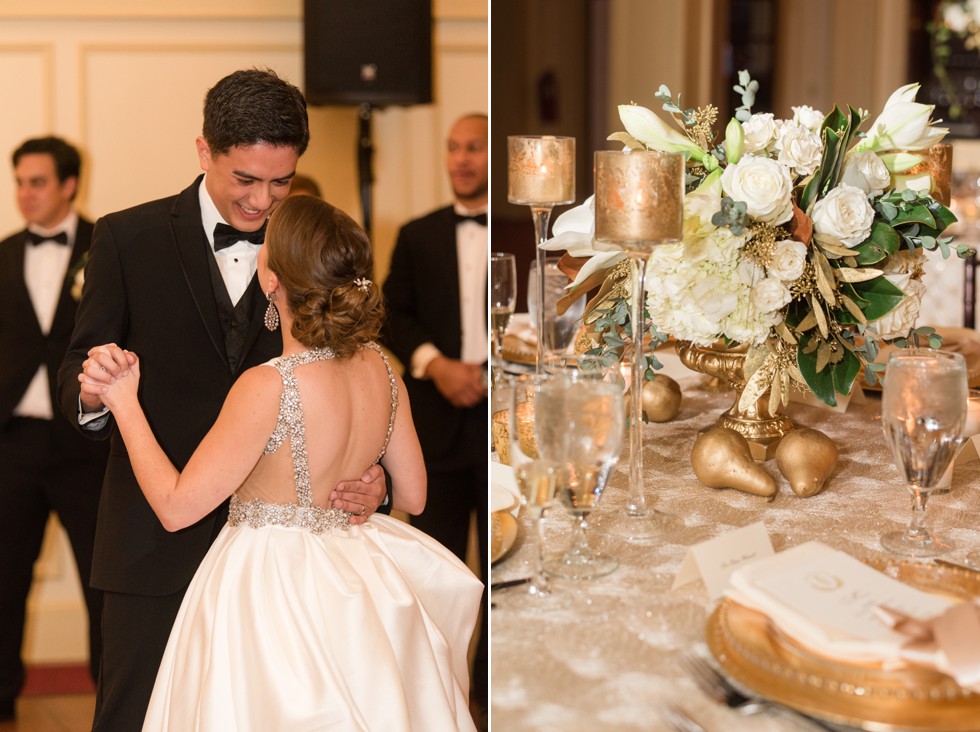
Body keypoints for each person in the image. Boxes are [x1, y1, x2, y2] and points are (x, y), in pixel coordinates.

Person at [57, 69, 389, 731]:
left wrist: (369, 477)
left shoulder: (312, 248)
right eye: (245, 179)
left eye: (281, 181)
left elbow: (349, 375)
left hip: (274, 568)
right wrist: (94, 388)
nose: (263, 202)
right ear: (205, 150)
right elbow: (78, 360)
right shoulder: (128, 237)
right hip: (152, 545)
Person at [96, 194, 482, 730]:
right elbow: (413, 495)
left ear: (270, 277)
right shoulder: (382, 370)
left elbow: (177, 508)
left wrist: (125, 404)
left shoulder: (269, 384)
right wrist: (372, 482)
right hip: (357, 584)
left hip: (266, 590)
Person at [381, 112, 489, 718]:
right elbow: (393, 311)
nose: (462, 158)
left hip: (503, 418)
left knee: (506, 566)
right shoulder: (417, 234)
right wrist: (434, 364)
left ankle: (488, 698)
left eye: (473, 147)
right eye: (453, 148)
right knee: (434, 568)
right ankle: (435, 699)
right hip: (438, 427)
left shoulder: (519, 230)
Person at [0, 136, 107, 721]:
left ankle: (110, 702)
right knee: (2, 580)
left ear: (69, 185)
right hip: (12, 443)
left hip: (85, 443)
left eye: (36, 181)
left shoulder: (108, 248)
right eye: (18, 181)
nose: (24, 194)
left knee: (101, 581)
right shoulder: (2, 253)